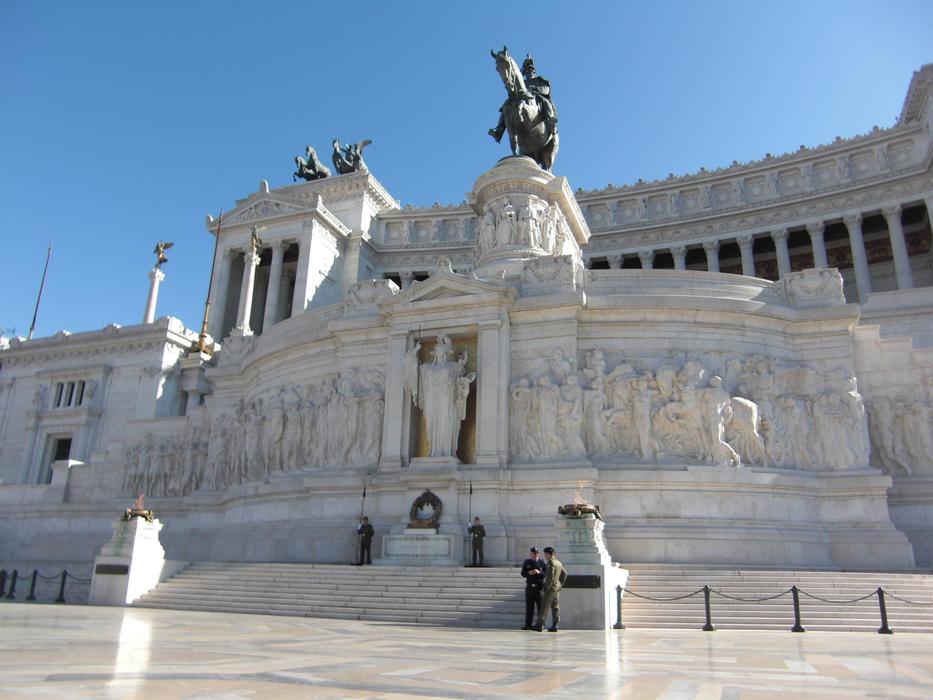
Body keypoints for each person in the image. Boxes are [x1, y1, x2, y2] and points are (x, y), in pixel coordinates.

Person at [535, 546, 567, 632]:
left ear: (549, 554)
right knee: (555, 606)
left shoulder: (551, 563)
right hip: (556, 587)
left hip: (551, 588)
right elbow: (564, 574)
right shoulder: (559, 562)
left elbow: (550, 577)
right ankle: (555, 624)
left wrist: (547, 587)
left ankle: (539, 624)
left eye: (545, 554)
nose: (544, 555)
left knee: (545, 606)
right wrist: (560, 584)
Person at [520, 546, 546, 630]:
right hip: (530, 587)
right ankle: (528, 624)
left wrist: (539, 572)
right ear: (530, 554)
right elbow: (523, 573)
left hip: (539, 588)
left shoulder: (542, 562)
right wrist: (529, 572)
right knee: (529, 607)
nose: (535, 555)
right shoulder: (527, 562)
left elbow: (546, 573)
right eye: (534, 553)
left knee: (540, 608)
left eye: (537, 553)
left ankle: (540, 625)